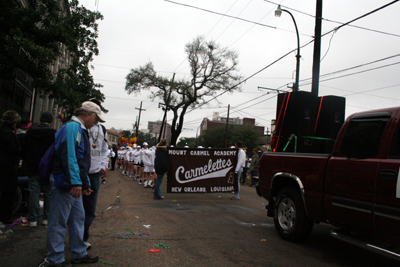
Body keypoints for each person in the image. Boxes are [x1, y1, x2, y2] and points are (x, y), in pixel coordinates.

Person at [46, 102, 102, 266]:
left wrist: (83, 184)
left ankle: (79, 252)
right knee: (59, 221)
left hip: (71, 182)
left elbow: (79, 159)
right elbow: (70, 156)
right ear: (87, 114)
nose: (96, 122)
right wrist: (77, 182)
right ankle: (55, 259)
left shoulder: (79, 129)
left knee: (78, 217)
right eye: (95, 118)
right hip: (66, 182)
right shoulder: (72, 128)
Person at [22, 111, 56, 227]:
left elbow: (24, 149)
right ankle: (46, 218)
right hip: (47, 168)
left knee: (33, 193)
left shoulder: (30, 132)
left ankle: (32, 219)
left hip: (32, 167)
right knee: (48, 193)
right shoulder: (53, 133)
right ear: (51, 121)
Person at [83, 100, 109, 250]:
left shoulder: (102, 129)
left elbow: (105, 149)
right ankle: (76, 237)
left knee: (90, 210)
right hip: (82, 174)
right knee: (77, 209)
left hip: (94, 175)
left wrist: (103, 165)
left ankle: (84, 237)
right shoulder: (81, 127)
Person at [0, 110, 21, 228]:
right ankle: (5, 217)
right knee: (8, 193)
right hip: (7, 167)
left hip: (5, 165)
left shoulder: (4, 132)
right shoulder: (8, 134)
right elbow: (12, 150)